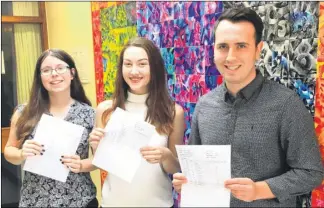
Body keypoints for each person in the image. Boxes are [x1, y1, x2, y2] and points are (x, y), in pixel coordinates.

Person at [172, 7, 323, 207]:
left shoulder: (286, 105)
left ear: (258, 49)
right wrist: (187, 181)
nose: (230, 57)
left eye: (241, 46)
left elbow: (311, 172)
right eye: (223, 46)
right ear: (214, 49)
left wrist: (259, 190)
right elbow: (196, 166)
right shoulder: (204, 105)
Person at [89, 37, 185, 207]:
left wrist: (165, 155)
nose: (134, 71)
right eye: (128, 64)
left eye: (142, 64)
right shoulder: (106, 110)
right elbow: (101, 163)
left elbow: (175, 167)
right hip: (113, 203)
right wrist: (97, 146)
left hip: (158, 204)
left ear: (154, 68)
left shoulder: (172, 112)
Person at [4, 49, 98, 207]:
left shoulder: (89, 114)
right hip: (35, 200)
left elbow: (98, 159)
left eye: (60, 68)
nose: (54, 74)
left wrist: (82, 165)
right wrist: (21, 153)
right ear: (40, 78)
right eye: (46, 70)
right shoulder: (24, 112)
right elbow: (9, 150)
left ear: (72, 73)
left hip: (80, 200)